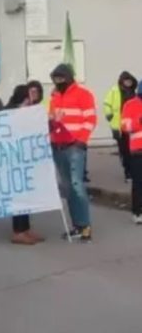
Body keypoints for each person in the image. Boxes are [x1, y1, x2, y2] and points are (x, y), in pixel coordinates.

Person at [49, 64, 96, 241]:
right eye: (55, 79)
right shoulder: (54, 96)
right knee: (68, 188)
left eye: (61, 78)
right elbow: (52, 120)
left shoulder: (83, 94)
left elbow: (91, 119)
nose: (58, 82)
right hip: (58, 147)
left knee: (77, 186)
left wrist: (81, 140)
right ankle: (77, 225)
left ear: (68, 77)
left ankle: (85, 226)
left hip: (74, 147)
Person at [4, 85, 44, 245]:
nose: (32, 97)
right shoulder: (12, 111)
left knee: (26, 196)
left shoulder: (29, 110)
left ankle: (25, 229)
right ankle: (18, 231)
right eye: (29, 95)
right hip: (15, 160)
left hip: (26, 159)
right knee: (19, 196)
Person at [104, 72, 137, 182]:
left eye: (130, 81)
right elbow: (107, 104)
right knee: (124, 151)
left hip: (132, 127)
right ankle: (127, 171)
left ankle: (132, 171)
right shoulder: (114, 91)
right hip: (118, 126)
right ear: (122, 81)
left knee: (133, 151)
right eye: (126, 81)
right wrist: (109, 114)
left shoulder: (134, 93)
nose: (128, 83)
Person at [121, 83, 142, 224]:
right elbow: (124, 126)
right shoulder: (130, 105)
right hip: (138, 151)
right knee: (139, 183)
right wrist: (138, 121)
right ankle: (137, 212)